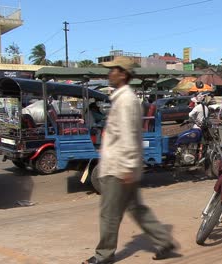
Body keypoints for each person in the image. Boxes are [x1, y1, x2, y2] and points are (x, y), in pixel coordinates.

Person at [83, 57, 178, 264]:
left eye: (113, 71)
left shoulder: (126, 100)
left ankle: (104, 255)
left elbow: (128, 136)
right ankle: (164, 241)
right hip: (123, 166)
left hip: (119, 168)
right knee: (136, 209)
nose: (109, 74)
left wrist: (126, 168)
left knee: (109, 213)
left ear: (123, 74)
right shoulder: (122, 98)